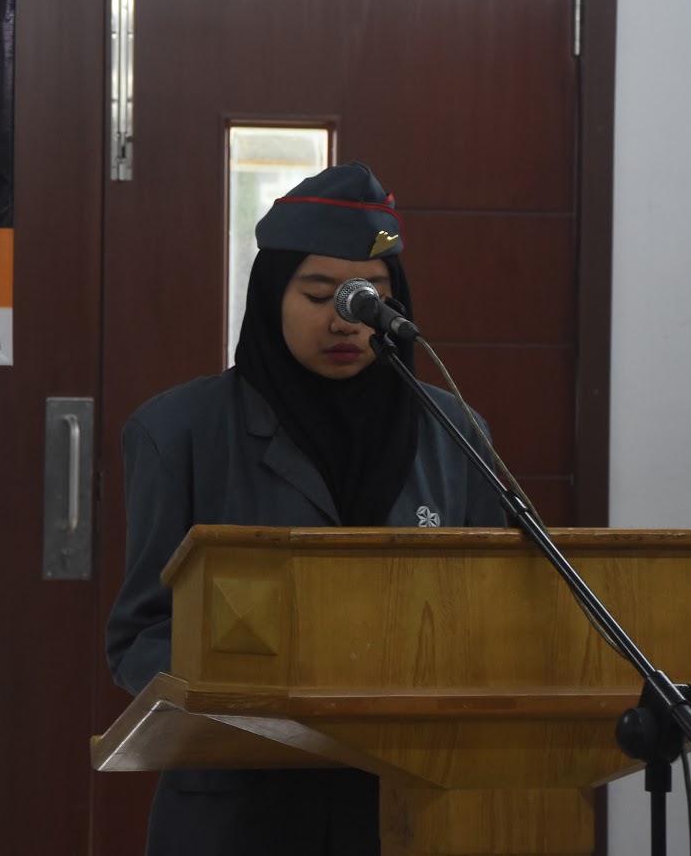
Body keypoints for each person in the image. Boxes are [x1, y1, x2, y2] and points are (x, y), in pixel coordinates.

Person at [105, 161, 507, 856]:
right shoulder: (178, 433)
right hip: (240, 803)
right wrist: (254, 696)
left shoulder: (455, 432)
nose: (345, 320)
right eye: (320, 294)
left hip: (411, 794)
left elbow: (496, 608)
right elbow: (140, 634)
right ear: (271, 295)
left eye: (369, 298)